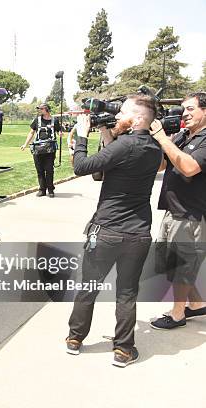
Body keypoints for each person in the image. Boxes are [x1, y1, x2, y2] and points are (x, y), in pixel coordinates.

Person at [65, 94, 162, 368]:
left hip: (106, 231)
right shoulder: (154, 148)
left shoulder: (126, 145)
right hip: (138, 234)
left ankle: (75, 338)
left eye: (123, 113)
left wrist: (82, 137)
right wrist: (108, 131)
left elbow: (82, 166)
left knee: (88, 287)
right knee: (127, 292)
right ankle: (124, 349)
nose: (117, 116)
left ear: (139, 118)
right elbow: (118, 159)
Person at [149, 92, 206, 329]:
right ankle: (196, 304)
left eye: (191, 109)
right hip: (173, 210)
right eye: (184, 109)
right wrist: (157, 142)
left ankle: (177, 314)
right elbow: (163, 165)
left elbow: (190, 167)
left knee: (182, 265)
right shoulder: (183, 135)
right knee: (171, 263)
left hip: (192, 214)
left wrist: (163, 140)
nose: (185, 113)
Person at [21, 103, 60, 197]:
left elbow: (59, 131)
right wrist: (25, 144)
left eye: (41, 109)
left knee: (49, 169)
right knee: (40, 170)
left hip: (50, 149)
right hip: (38, 149)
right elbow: (31, 133)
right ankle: (42, 189)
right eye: (39, 109)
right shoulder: (37, 120)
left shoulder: (55, 120)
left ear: (46, 109)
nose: (39, 110)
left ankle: (50, 189)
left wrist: (61, 133)